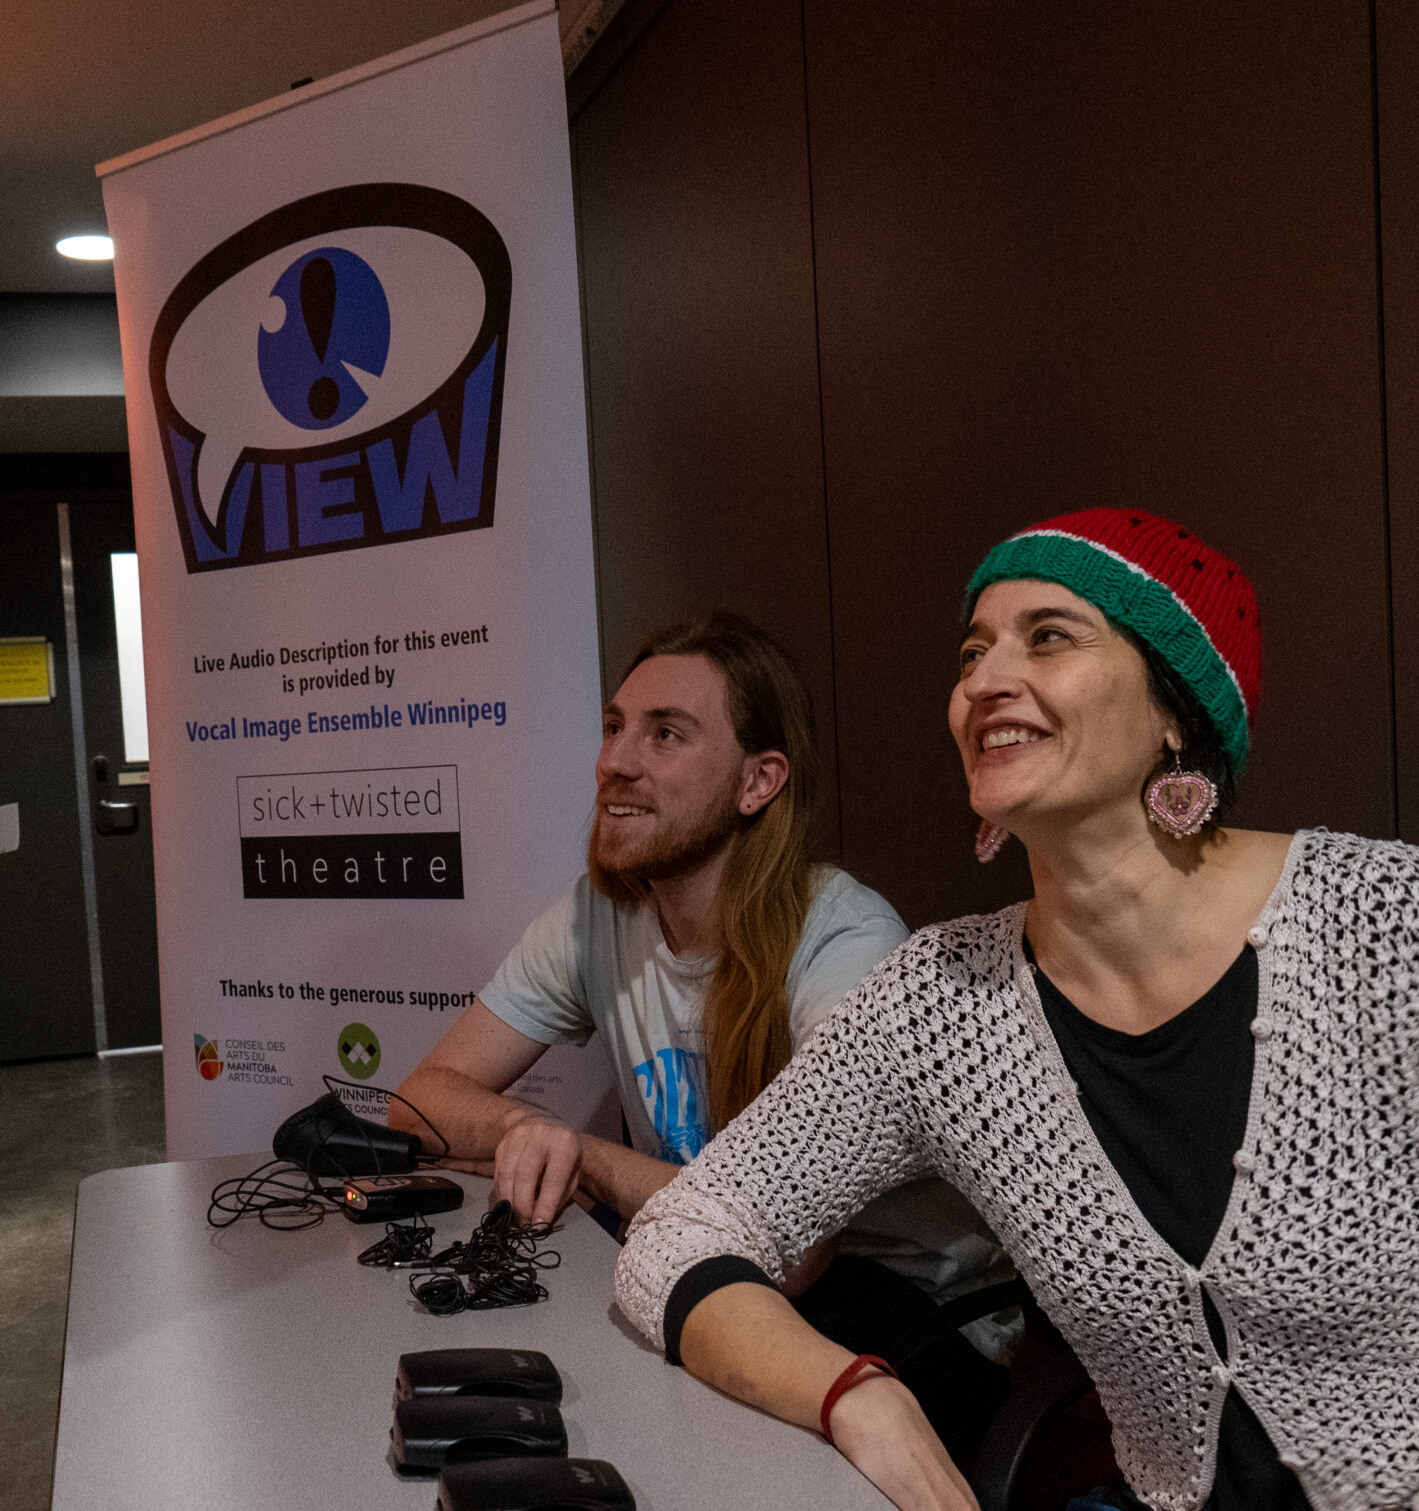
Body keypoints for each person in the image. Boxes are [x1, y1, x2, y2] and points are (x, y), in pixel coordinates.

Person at [616, 509, 1419, 1511]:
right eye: (971, 651)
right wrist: (852, 1392)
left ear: (1175, 714)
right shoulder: (937, 1006)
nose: (988, 677)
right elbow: (683, 1237)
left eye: (1049, 637)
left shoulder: (1391, 921)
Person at [392, 613, 1016, 1455]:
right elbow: (418, 1101)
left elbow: (793, 1252)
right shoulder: (596, 916)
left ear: (758, 781)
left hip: (909, 1318)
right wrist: (521, 1129)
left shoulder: (844, 940)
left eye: (666, 735)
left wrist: (589, 1158)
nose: (616, 761)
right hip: (724, 1273)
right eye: (616, 727)